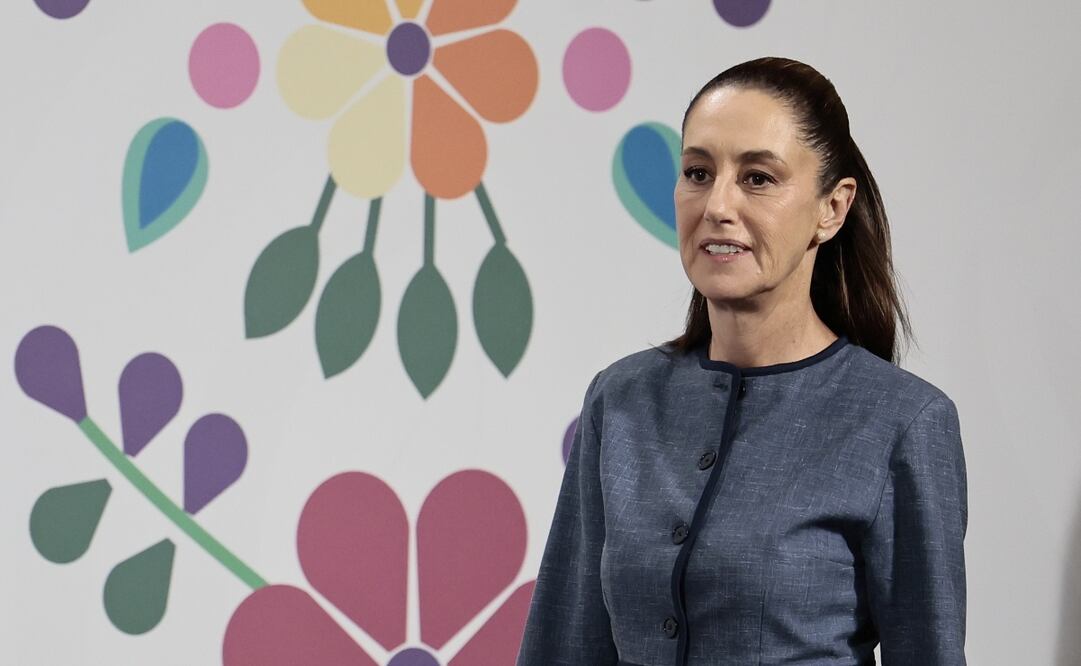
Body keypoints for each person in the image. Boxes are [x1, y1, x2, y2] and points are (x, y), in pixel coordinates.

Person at [517, 57, 967, 665]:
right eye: (698, 172)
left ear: (831, 208)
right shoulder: (618, 400)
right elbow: (562, 646)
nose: (717, 205)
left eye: (758, 178)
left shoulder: (902, 422)